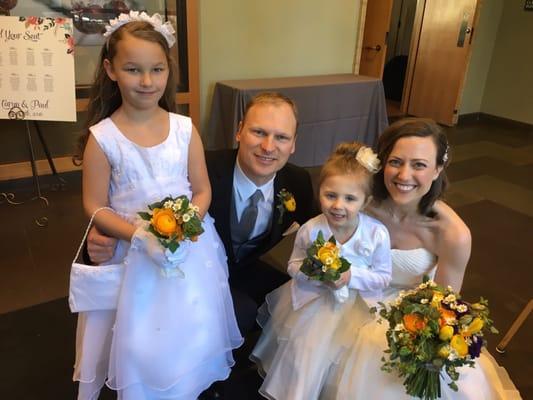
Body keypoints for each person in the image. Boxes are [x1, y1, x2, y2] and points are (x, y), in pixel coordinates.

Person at [72, 12, 242, 399]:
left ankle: (184, 380)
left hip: (189, 248)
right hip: (132, 253)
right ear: (110, 70)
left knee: (188, 321)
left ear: (168, 70)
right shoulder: (104, 138)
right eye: (133, 69)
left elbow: (201, 191)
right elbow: (94, 206)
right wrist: (142, 235)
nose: (147, 81)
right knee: (140, 331)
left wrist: (184, 228)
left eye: (157, 69)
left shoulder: (184, 129)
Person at [87, 92, 317, 335]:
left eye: (281, 137)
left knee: (305, 308)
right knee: (239, 317)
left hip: (252, 271)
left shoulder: (298, 181)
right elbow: (138, 206)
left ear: (293, 144)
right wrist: (98, 240)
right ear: (239, 131)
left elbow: (320, 225)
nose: (268, 147)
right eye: (258, 132)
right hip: (191, 278)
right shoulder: (199, 170)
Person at [324, 118, 521, 399]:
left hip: (409, 315)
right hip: (349, 294)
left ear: (438, 168)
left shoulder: (452, 233)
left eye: (419, 165)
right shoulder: (361, 204)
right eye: (396, 162)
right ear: (382, 163)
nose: (404, 176)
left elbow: (444, 305)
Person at [250, 142, 392, 400]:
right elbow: (293, 265)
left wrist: (350, 277)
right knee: (308, 352)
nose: (338, 205)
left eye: (350, 199)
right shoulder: (311, 229)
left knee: (349, 359)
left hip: (358, 306)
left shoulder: (376, 233)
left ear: (366, 201)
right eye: (330, 195)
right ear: (319, 193)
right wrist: (314, 273)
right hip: (316, 303)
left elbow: (383, 276)